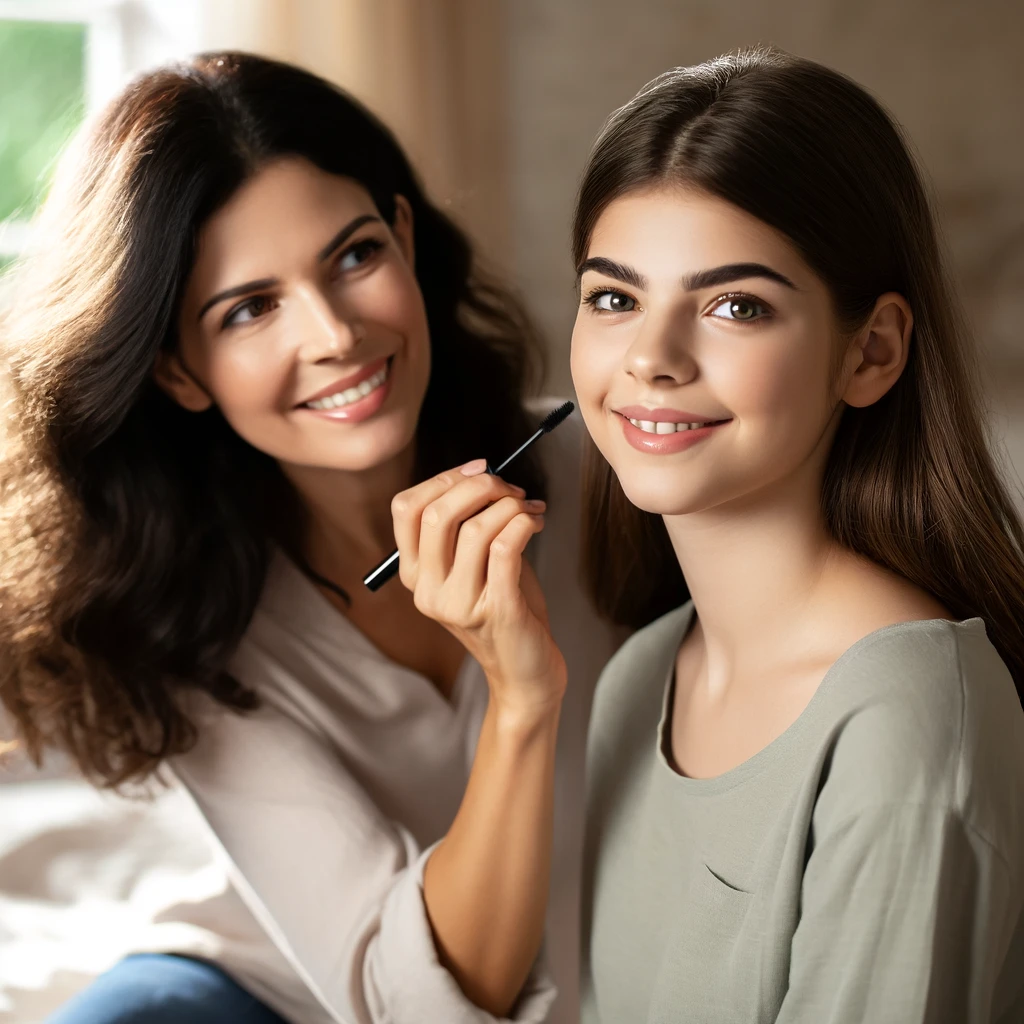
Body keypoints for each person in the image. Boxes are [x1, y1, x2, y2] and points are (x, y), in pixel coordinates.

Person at [398, 47, 1024, 1022]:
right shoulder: (642, 673)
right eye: (613, 297)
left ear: (872, 351)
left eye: (735, 306)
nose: (650, 357)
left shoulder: (905, 718)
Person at [0, 52, 617, 1024]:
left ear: (405, 239)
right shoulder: (184, 623)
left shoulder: (606, 475)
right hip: (268, 986)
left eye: (354, 256)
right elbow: (409, 1003)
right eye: (249, 309)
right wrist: (521, 694)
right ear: (177, 372)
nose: (331, 332)